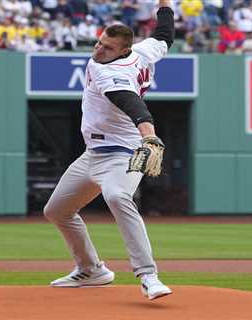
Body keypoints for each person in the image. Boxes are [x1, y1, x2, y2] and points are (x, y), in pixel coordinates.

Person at [43, 0, 174, 301]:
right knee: (57, 211)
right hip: (93, 153)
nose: (99, 50)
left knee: (117, 196)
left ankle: (148, 276)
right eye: (100, 43)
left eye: (108, 48)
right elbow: (165, 34)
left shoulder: (111, 76)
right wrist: (165, 4)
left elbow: (132, 104)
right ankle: (91, 269)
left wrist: (149, 135)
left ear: (124, 51)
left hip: (123, 153)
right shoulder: (142, 51)